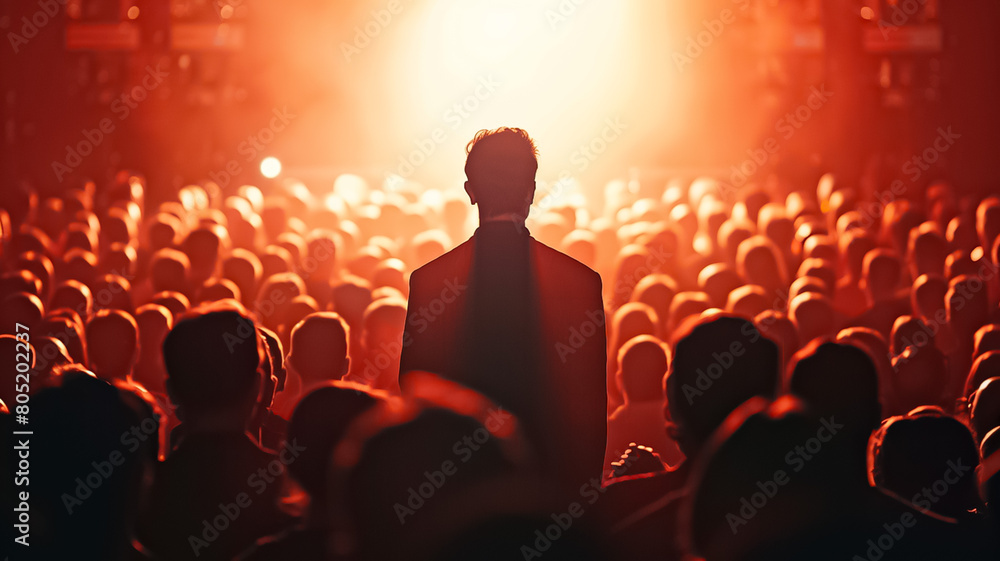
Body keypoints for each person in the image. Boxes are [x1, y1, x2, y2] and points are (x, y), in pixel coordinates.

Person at [398, 127, 607, 499]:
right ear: (531, 191)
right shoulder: (580, 282)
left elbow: (415, 393)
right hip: (550, 497)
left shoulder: (430, 281)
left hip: (454, 499)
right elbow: (590, 407)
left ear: (470, 191)